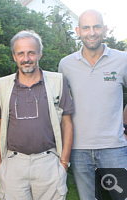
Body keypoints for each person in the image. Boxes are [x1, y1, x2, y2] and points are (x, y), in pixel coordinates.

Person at [0, 30, 73, 200]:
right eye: (20, 53)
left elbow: (67, 123)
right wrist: (0, 164)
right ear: (14, 56)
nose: (26, 58)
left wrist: (64, 163)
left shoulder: (57, 81)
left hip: (49, 163)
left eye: (31, 53)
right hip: (13, 164)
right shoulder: (3, 85)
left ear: (40, 54)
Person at [58, 9, 127, 200]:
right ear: (78, 31)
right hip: (78, 149)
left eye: (96, 27)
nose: (92, 32)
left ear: (104, 29)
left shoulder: (123, 60)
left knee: (122, 196)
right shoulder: (66, 64)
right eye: (86, 28)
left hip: (114, 148)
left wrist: (126, 127)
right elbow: (61, 106)